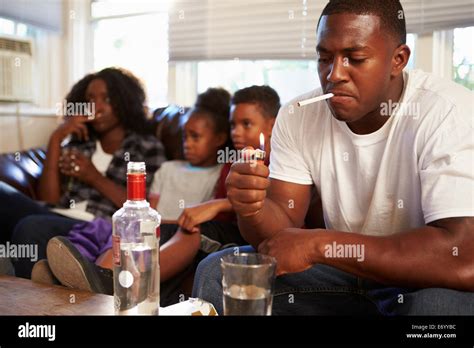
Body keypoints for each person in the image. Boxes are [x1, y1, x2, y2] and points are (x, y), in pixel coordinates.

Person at [192, 0, 474, 315]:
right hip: (342, 274)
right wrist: (251, 209)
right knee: (217, 273)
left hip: (422, 278)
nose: (334, 74)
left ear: (398, 59)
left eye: (355, 58)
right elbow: (278, 237)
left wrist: (319, 245)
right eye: (325, 58)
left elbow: (462, 256)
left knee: (440, 308)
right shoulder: (299, 115)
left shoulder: (447, 112)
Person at [37, 86, 282, 306]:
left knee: (191, 229)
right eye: (232, 125)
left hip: (227, 232)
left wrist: (215, 205)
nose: (236, 132)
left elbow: (266, 204)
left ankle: (108, 284)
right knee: (130, 233)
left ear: (271, 125)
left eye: (246, 124)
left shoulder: (279, 162)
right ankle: (94, 277)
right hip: (195, 224)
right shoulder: (232, 161)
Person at [5, 67, 166, 278]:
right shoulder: (79, 143)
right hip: (58, 215)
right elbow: (48, 198)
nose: (96, 106)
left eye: (106, 99)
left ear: (123, 102)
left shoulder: (146, 147)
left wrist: (93, 176)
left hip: (94, 229)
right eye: (90, 98)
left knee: (31, 227)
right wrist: (56, 138)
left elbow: (143, 209)